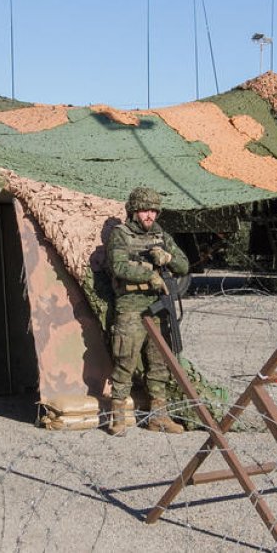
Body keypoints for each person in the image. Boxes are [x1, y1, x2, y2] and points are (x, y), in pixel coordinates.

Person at [106, 186, 190, 436]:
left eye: (153, 211)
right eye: (144, 210)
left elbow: (184, 265)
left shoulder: (162, 236)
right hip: (131, 306)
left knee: (159, 363)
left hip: (159, 307)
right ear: (133, 211)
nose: (149, 216)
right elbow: (118, 267)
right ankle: (118, 416)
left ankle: (158, 417)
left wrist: (167, 259)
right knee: (125, 361)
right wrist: (150, 275)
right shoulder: (120, 235)